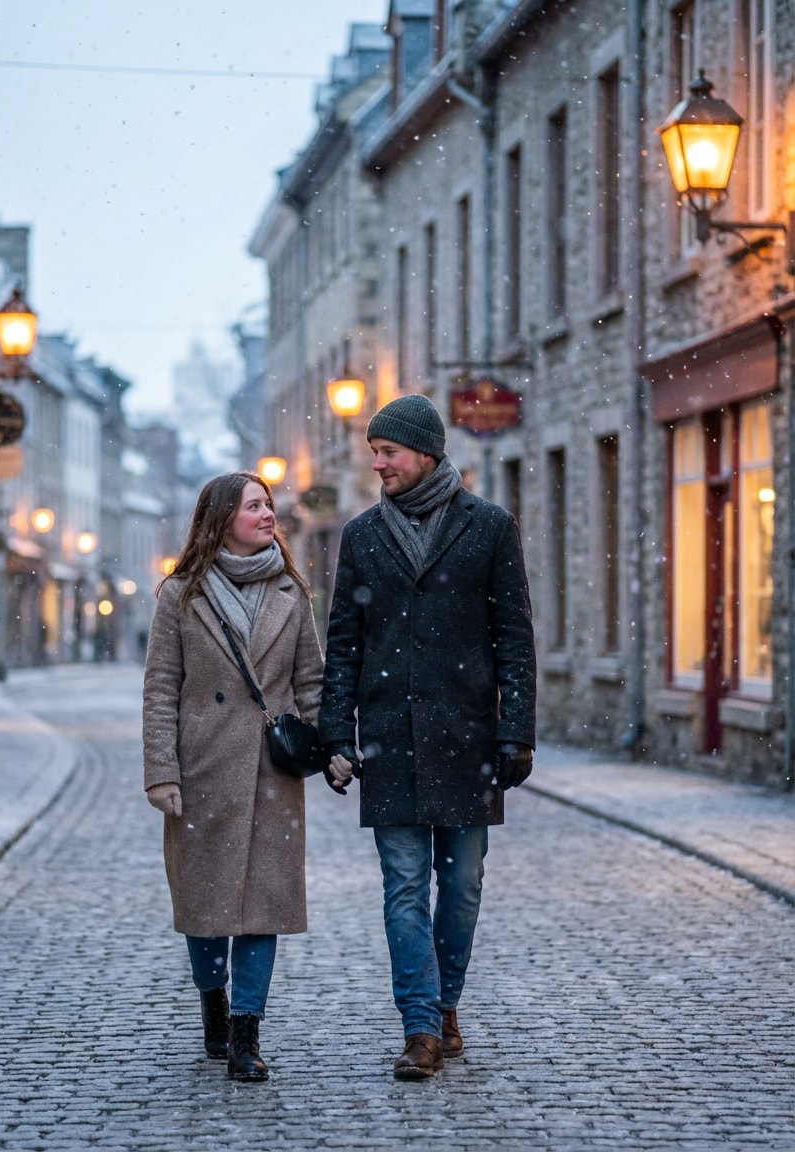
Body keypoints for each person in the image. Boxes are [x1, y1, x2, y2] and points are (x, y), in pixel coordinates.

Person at [319, 394, 537, 1080]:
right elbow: (345, 646)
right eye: (373, 452)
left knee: (463, 887)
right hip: (389, 738)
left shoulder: (490, 528)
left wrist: (515, 731)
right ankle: (419, 1027)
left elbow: (514, 640)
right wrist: (335, 733)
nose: (377, 463)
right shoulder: (360, 536)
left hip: (467, 739)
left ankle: (446, 1005)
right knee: (404, 887)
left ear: (425, 452)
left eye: (387, 452)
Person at [143, 470, 324, 1082]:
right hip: (203, 769)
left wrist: (332, 749)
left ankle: (247, 1033)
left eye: (269, 505)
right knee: (205, 904)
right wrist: (162, 771)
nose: (268, 514)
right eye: (254, 506)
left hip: (271, 774)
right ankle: (212, 999)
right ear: (222, 519)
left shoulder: (290, 592)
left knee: (261, 907)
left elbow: (311, 684)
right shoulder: (181, 594)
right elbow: (161, 688)